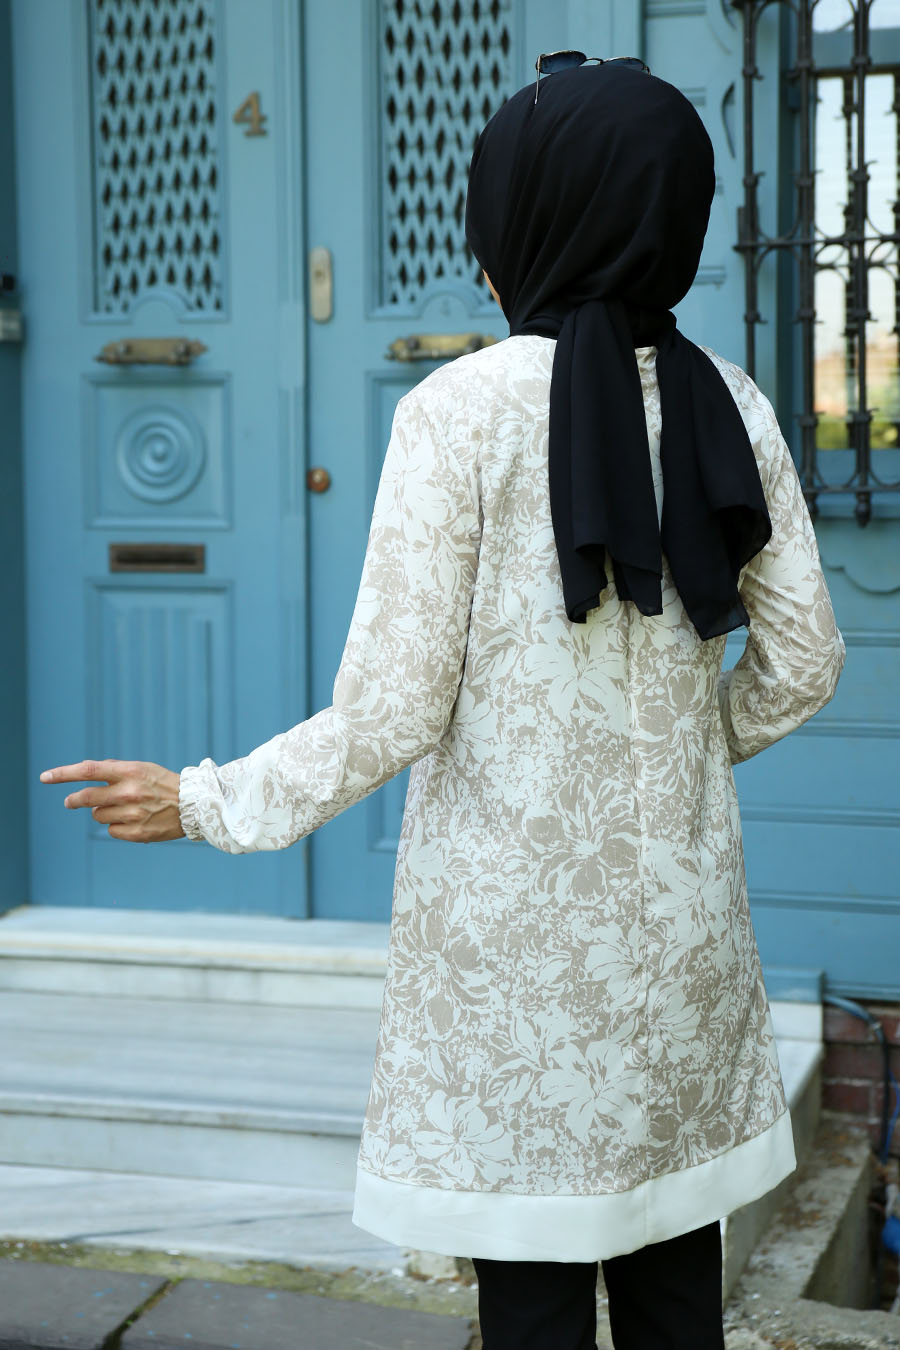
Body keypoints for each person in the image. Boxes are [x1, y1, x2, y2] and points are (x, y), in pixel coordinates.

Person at [40, 57, 845, 1350]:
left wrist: (206, 800)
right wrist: (683, 755)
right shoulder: (730, 404)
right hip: (679, 935)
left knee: (529, 1300)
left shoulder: (457, 416)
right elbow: (805, 659)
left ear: (535, 223)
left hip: (511, 954)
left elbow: (394, 705)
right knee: (674, 1285)